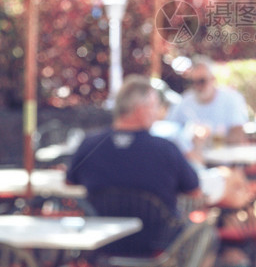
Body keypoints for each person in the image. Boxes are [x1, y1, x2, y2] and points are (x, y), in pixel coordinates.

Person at [66, 74, 201, 220]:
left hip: (105, 237)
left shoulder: (90, 145)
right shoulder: (166, 149)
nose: (157, 113)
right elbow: (195, 191)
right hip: (161, 240)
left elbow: (69, 182)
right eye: (155, 106)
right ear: (141, 109)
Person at [166, 55, 250, 148]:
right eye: (193, 82)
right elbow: (169, 129)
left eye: (202, 81)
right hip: (193, 159)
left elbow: (238, 136)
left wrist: (210, 138)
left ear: (213, 79)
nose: (197, 87)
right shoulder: (184, 101)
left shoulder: (232, 98)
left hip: (225, 159)